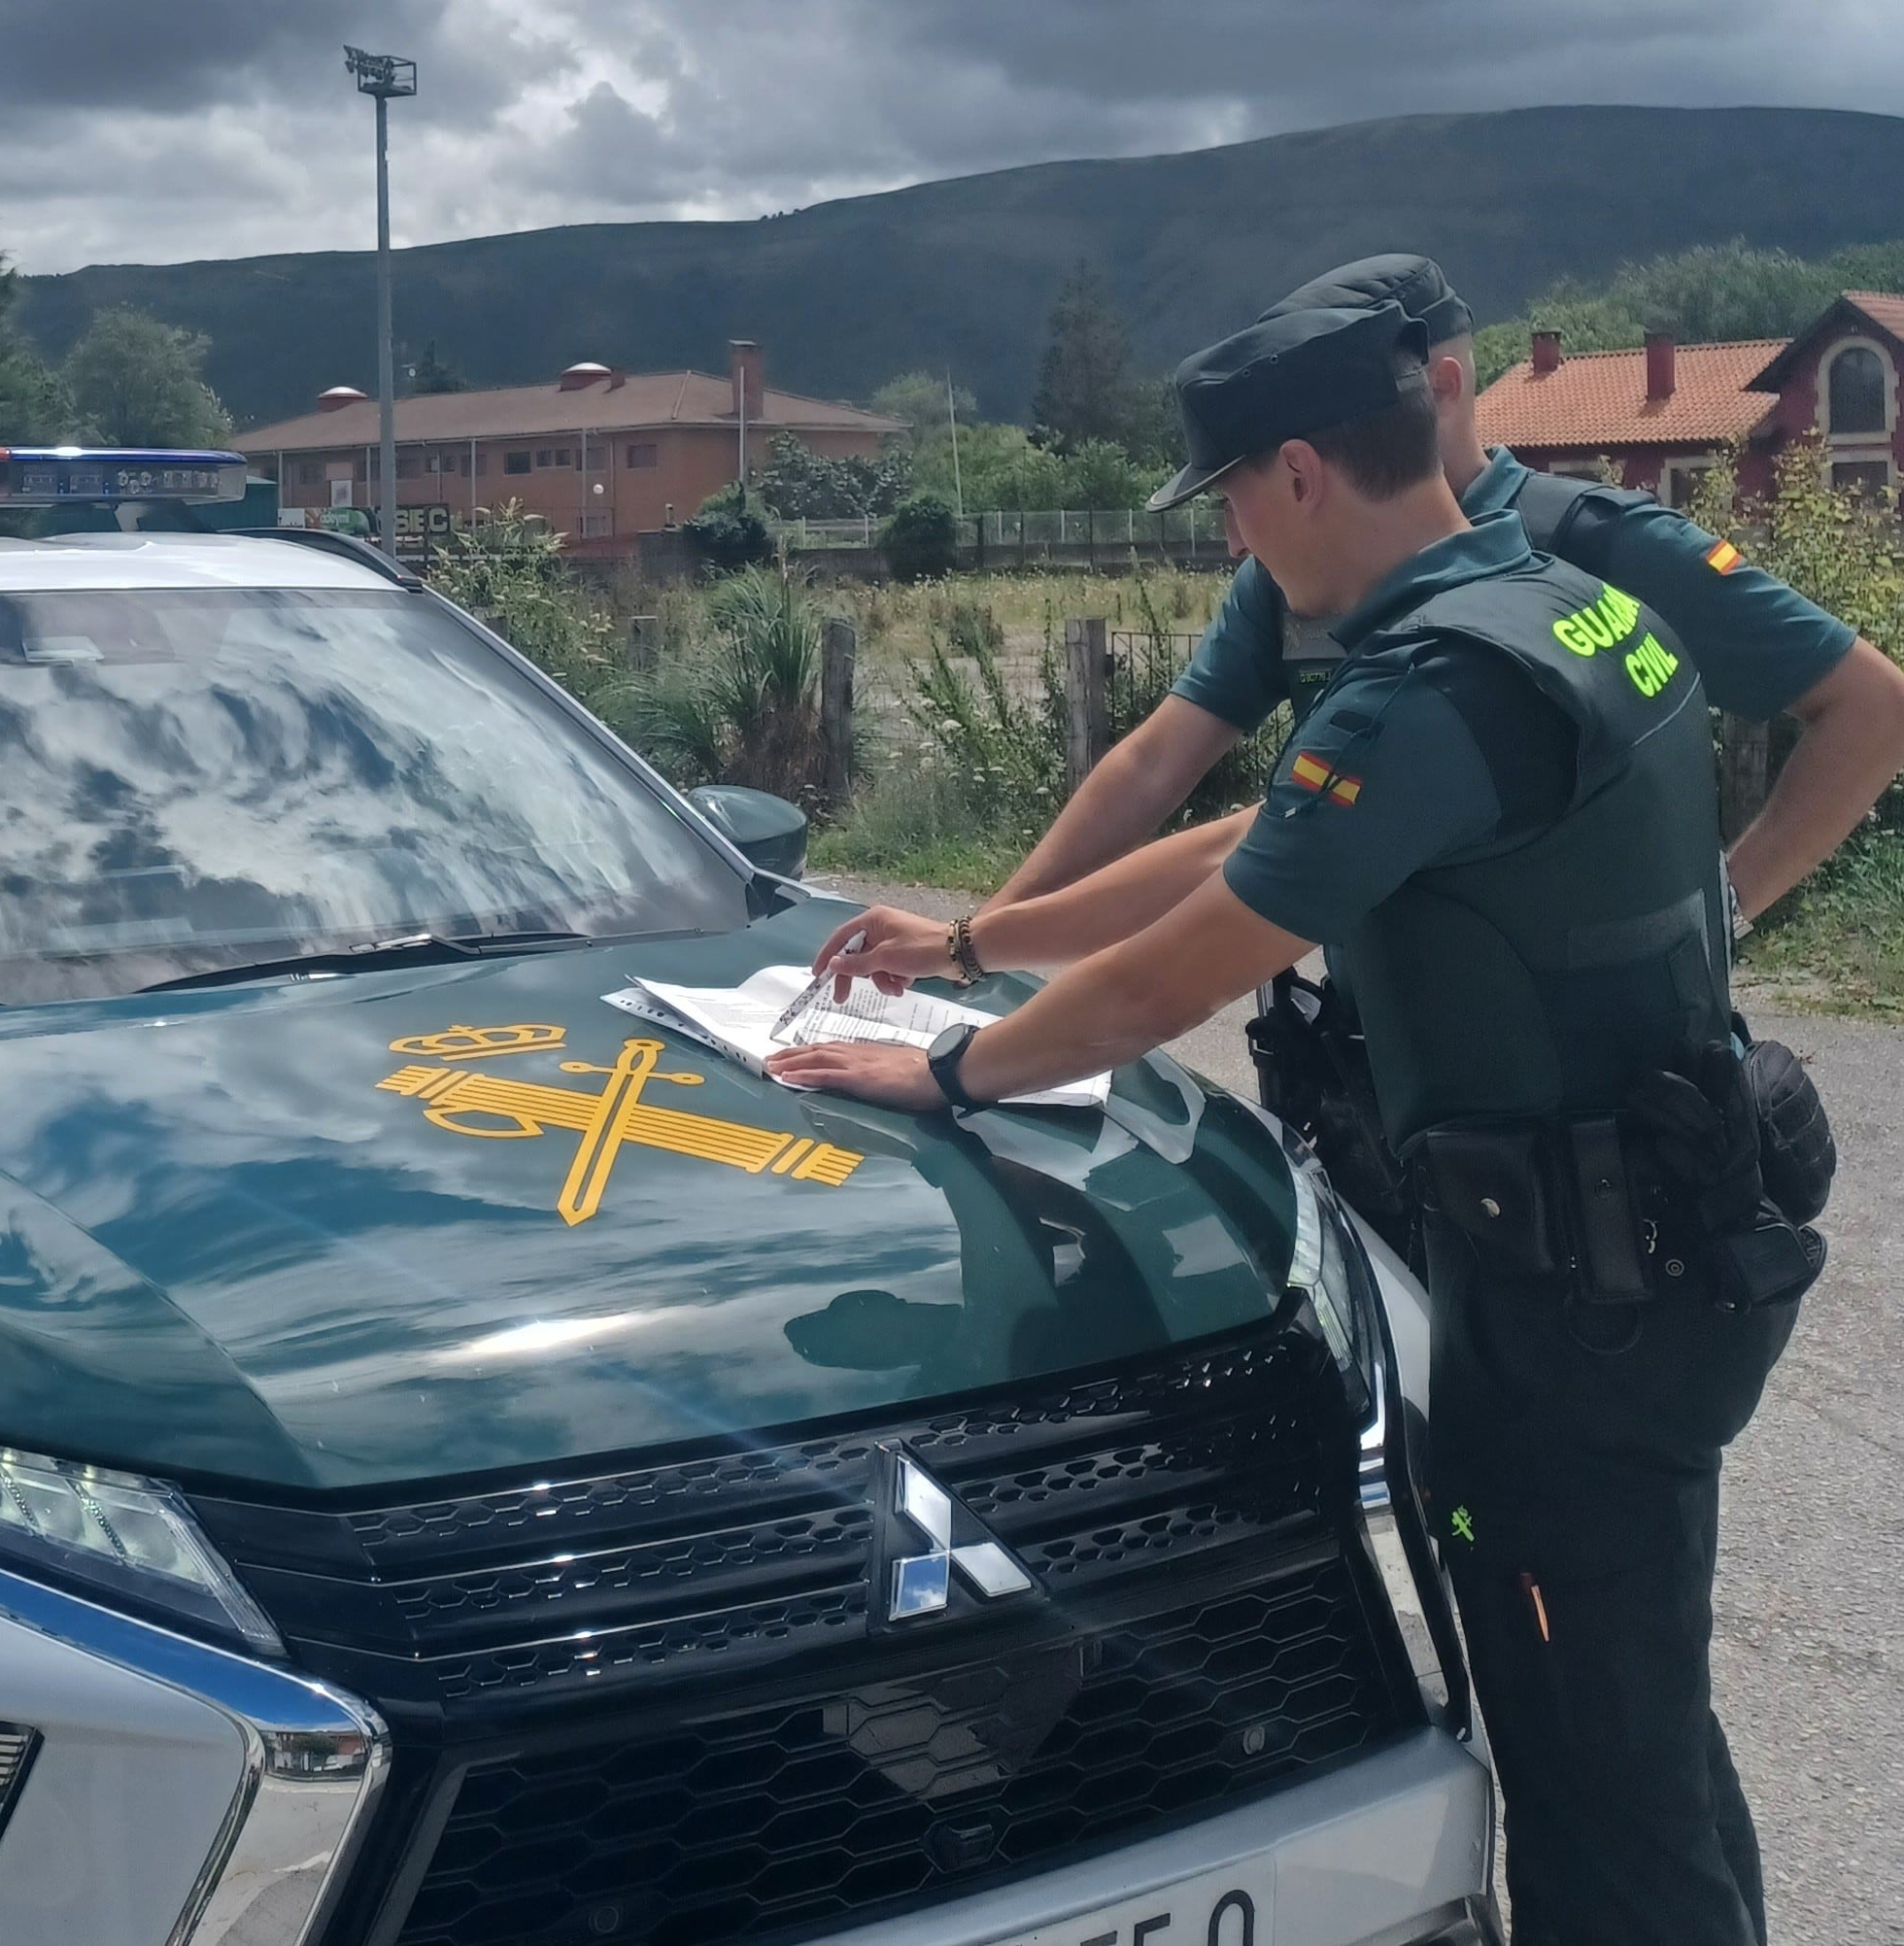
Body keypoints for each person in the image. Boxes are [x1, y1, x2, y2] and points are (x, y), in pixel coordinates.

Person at [769, 295, 1896, 1944]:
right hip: (1655, 1252)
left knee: (1594, 1769)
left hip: (1566, 1305)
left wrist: (952, 1068)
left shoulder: (1430, 688)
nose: (1226, 528)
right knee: (1636, 1705)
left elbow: (1190, 965)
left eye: (1224, 492)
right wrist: (970, 938)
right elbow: (1255, 846)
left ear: (1298, 470)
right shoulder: (1560, 608)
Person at [984, 254, 1904, 943]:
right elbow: (1155, 765)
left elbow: (1872, 706)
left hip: (1579, 1089)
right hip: (1391, 1061)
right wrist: (977, 942)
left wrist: (1724, 909)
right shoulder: (1288, 575)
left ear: (1441, 387)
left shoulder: (1599, 543)